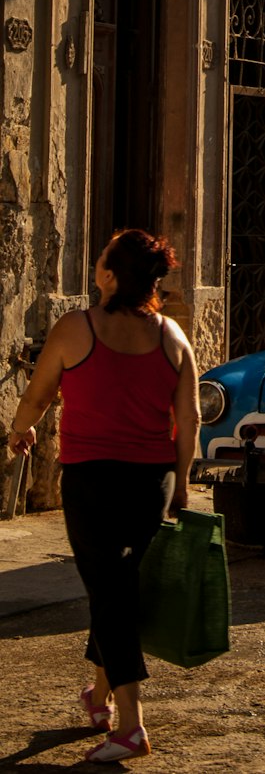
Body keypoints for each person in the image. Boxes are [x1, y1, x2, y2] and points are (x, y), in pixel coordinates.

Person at [6, 229, 200, 762]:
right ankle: (98, 692)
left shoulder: (76, 327)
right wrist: (181, 483)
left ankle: (131, 725)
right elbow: (188, 418)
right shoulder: (172, 338)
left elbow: (39, 392)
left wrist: (19, 430)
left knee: (111, 590)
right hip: (152, 479)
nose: (95, 269)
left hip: (91, 478)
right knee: (118, 584)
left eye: (100, 263)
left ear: (111, 276)